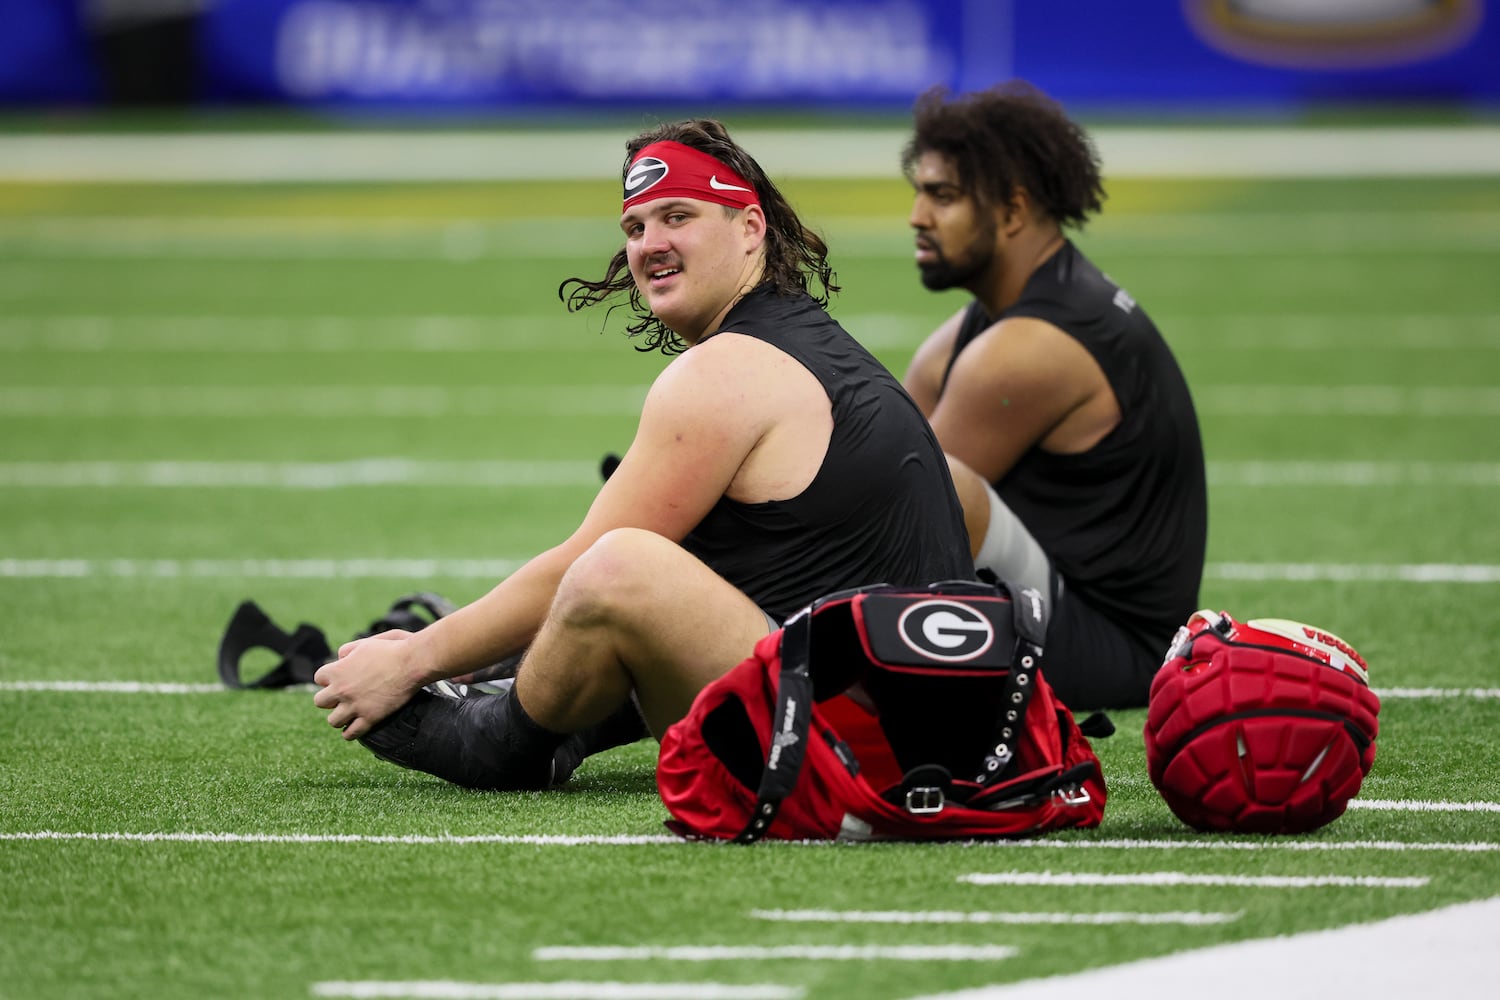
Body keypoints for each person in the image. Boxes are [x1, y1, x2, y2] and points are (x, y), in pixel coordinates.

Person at [311, 119, 974, 789]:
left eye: (676, 217)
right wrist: (469, 653)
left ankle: (501, 741)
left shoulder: (725, 373)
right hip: (933, 722)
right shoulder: (804, 340)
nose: (650, 245)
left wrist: (414, 660)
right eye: (635, 228)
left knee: (619, 569)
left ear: (750, 228)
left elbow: (583, 570)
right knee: (664, 558)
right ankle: (548, 718)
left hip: (871, 751)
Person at [899, 81, 1208, 710]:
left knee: (938, 489)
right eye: (919, 192)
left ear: (1013, 211)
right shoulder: (995, 322)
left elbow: (896, 515)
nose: (917, 216)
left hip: (1114, 652)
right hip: (1053, 605)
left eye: (944, 196)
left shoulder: (1029, 350)